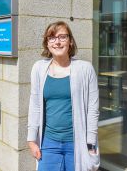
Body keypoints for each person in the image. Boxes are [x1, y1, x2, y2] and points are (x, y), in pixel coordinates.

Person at [27, 21, 100, 171]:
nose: (57, 42)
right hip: (49, 143)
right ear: (47, 43)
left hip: (76, 143)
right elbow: (34, 105)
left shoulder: (85, 69)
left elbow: (93, 108)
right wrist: (31, 140)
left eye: (62, 37)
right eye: (52, 38)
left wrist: (90, 143)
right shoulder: (39, 69)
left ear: (70, 41)